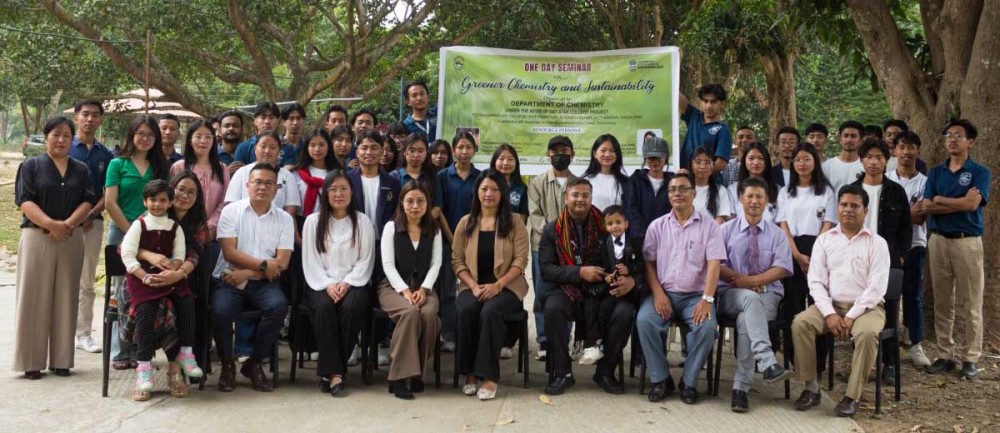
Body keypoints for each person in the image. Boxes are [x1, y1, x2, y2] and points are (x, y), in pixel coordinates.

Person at [791, 184, 889, 418]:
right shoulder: (824, 240)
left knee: (866, 334)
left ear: (865, 210)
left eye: (855, 205)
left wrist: (851, 316)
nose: (848, 210)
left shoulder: (877, 243)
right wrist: (830, 314)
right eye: (844, 205)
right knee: (800, 323)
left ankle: (852, 396)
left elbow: (876, 288)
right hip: (831, 306)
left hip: (867, 308)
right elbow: (815, 282)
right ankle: (811, 388)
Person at [13, 116, 96, 380]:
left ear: (72, 140)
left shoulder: (81, 168)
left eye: (66, 136)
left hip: (71, 237)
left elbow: (87, 200)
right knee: (34, 297)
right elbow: (24, 200)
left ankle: (62, 360)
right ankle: (31, 361)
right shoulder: (31, 166)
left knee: (67, 296)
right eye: (55, 135)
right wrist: (50, 224)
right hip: (37, 236)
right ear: (46, 137)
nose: (61, 140)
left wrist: (68, 224)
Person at [539, 177, 638, 396]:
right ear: (566, 198)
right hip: (568, 289)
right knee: (553, 308)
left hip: (602, 290)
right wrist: (580, 272)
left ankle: (605, 371)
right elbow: (547, 270)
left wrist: (622, 277)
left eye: (585, 195)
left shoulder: (607, 225)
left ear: (591, 197)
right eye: (575, 195)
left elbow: (626, 257)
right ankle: (562, 372)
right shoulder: (552, 229)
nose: (580, 200)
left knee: (624, 312)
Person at [637, 173, 724, 404]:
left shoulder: (710, 226)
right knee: (645, 321)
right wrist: (657, 294)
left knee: (706, 328)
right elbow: (649, 263)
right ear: (668, 195)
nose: (678, 193)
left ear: (694, 193)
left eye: (684, 189)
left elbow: (715, 263)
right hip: (663, 293)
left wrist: (707, 298)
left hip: (696, 296)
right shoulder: (657, 226)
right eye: (673, 189)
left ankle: (689, 381)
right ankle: (661, 379)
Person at [212, 163, 294, 392]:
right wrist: (265, 264)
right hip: (229, 280)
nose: (262, 187)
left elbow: (283, 262)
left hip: (263, 282)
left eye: (269, 183)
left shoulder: (285, 219)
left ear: (276, 189)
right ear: (247, 185)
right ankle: (227, 364)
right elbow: (230, 252)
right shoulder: (231, 211)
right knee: (220, 311)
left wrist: (249, 272)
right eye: (257, 182)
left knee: (278, 307)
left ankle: (254, 362)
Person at [120, 180, 203, 401]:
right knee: (146, 311)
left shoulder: (176, 227)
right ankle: (144, 369)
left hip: (171, 277)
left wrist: (173, 272)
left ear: (169, 202)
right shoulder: (139, 224)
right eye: (153, 200)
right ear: (144, 201)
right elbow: (126, 253)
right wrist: (145, 274)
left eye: (163, 200)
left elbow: (181, 254)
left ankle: (186, 353)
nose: (157, 204)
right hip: (142, 278)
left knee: (186, 302)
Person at [718, 176, 794, 412]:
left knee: (745, 321)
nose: (754, 201)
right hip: (731, 293)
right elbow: (716, 264)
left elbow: (782, 268)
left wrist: (750, 281)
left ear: (767, 200)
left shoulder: (777, 234)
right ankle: (767, 361)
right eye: (749, 196)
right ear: (741, 198)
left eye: (759, 196)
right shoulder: (724, 230)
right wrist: (740, 283)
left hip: (767, 294)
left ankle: (740, 389)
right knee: (749, 300)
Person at [922, 119, 990, 380]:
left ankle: (970, 357)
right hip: (938, 240)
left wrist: (942, 200)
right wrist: (955, 202)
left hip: (967, 242)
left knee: (971, 302)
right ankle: (944, 353)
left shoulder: (979, 172)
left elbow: (973, 206)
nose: (952, 139)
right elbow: (927, 205)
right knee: (942, 300)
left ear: (970, 142)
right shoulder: (937, 172)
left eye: (958, 135)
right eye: (948, 135)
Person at [452, 170, 530, 400]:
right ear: (477, 192)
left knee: (490, 311)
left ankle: (489, 376)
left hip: (507, 287)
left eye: (495, 189)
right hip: (472, 285)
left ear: (503, 193)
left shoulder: (515, 222)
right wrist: (473, 286)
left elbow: (520, 261)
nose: (489, 194)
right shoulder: (466, 222)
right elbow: (456, 260)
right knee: (466, 309)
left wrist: (497, 286)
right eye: (484, 189)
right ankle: (469, 374)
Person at [301, 170, 375, 397]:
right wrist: (328, 284)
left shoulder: (363, 222)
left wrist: (347, 283)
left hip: (355, 282)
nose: (339, 194)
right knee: (323, 308)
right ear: (325, 193)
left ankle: (330, 372)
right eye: (333, 189)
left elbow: (366, 259)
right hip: (320, 282)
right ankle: (336, 373)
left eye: (344, 188)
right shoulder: (313, 222)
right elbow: (310, 260)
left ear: (352, 192)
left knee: (352, 308)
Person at [105, 115, 170, 370]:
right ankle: (120, 349)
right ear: (132, 135)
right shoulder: (117, 164)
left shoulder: (160, 167)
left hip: (154, 237)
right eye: (140, 133)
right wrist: (133, 230)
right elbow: (110, 202)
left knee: (145, 291)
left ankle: (140, 349)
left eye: (150, 135)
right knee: (122, 292)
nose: (145, 139)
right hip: (122, 233)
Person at [377, 182, 441, 399]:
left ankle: (417, 375)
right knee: (409, 312)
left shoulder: (434, 228)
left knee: (429, 313)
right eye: (410, 201)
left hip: (424, 287)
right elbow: (388, 265)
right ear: (402, 203)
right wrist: (404, 291)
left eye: (420, 201)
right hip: (393, 287)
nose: (415, 206)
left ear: (427, 203)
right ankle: (398, 376)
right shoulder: (391, 227)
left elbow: (436, 264)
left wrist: (424, 289)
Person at [68, 99, 113, 354]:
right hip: (62, 226)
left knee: (86, 281)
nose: (90, 119)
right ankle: (59, 332)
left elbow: (108, 192)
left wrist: (90, 214)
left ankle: (83, 334)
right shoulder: (65, 147)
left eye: (95, 115)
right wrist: (71, 220)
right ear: (76, 117)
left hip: (91, 225)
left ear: (100, 120)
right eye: (85, 114)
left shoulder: (104, 154)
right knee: (61, 280)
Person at [884, 131, 931, 368]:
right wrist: (905, 214)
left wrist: (896, 215)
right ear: (894, 151)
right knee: (886, 298)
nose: (906, 152)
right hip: (887, 249)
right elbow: (884, 218)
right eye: (901, 147)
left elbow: (920, 217)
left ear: (917, 151)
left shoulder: (924, 182)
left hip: (915, 246)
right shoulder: (885, 180)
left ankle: (915, 344)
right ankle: (886, 347)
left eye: (911, 147)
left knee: (913, 296)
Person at [527, 135, 576, 361]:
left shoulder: (577, 184)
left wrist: (567, 240)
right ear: (548, 155)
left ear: (572, 154)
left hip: (570, 248)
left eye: (564, 151)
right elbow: (535, 215)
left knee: (568, 293)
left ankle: (563, 340)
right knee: (542, 294)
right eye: (555, 151)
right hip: (542, 247)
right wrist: (553, 238)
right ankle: (545, 341)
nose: (560, 156)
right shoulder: (536, 182)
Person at [776, 143, 837, 319]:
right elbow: (783, 225)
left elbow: (828, 223)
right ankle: (792, 347)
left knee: (818, 303)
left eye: (806, 159)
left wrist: (815, 255)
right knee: (792, 303)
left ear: (815, 162)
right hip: (792, 249)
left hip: (818, 249)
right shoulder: (785, 192)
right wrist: (796, 255)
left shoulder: (826, 191)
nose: (802, 163)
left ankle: (820, 347)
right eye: (797, 160)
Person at [579, 205, 645, 365]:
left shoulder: (635, 243)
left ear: (626, 224)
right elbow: (597, 264)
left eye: (618, 222)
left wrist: (629, 269)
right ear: (604, 225)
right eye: (610, 223)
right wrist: (606, 276)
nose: (614, 226)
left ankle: (598, 342)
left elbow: (642, 266)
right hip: (607, 288)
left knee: (614, 309)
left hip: (628, 292)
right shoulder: (601, 243)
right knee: (598, 306)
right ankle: (595, 342)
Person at [434, 131, 480, 352]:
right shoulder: (442, 176)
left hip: (474, 241)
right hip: (447, 240)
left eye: (468, 147)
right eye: (460, 147)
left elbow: (481, 210)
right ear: (454, 151)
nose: (464, 151)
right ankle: (448, 333)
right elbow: (439, 210)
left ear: (474, 150)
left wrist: (468, 238)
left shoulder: (480, 177)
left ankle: (469, 332)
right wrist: (453, 239)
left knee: (471, 287)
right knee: (448, 289)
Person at [170, 119, 230, 238]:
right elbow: (173, 198)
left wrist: (210, 225)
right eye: (198, 136)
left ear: (214, 141)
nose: (203, 141)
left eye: (208, 137)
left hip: (213, 232)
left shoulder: (222, 169)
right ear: (190, 141)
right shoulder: (179, 166)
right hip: (181, 230)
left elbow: (225, 201)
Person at [224, 130, 301, 217]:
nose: (267, 151)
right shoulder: (241, 172)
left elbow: (290, 211)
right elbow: (231, 206)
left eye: (272, 147)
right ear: (255, 148)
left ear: (279, 151)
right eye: (263, 146)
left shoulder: (287, 176)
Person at [626, 136, 673, 253]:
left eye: (659, 158)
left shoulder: (673, 181)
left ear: (666, 157)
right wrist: (643, 238)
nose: (655, 162)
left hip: (668, 242)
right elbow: (631, 209)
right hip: (639, 242)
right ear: (645, 158)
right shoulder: (635, 180)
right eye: (651, 158)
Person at [678, 84, 733, 173]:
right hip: (686, 182)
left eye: (713, 102)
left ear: (722, 104)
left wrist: (697, 173)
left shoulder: (723, 130)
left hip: (710, 184)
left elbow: (720, 164)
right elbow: (676, 96)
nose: (708, 106)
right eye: (705, 101)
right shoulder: (694, 116)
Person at [728, 142, 779, 223]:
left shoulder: (777, 190)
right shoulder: (733, 189)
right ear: (744, 161)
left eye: (761, 158)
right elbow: (731, 221)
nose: (756, 162)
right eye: (751, 158)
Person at [293, 128, 339, 216]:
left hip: (329, 221)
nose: (317, 149)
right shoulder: (297, 174)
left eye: (321, 145)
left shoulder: (337, 174)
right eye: (312, 145)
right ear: (306, 147)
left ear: (328, 146)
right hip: (302, 223)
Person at [581, 134, 629, 211]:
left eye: (612, 151)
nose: (607, 154)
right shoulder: (585, 180)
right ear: (595, 154)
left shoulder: (626, 182)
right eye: (603, 150)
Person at [691, 147, 733, 224]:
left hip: (712, 234)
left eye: (707, 162)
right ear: (691, 165)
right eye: (698, 162)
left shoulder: (720, 190)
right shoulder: (685, 189)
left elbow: (720, 219)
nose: (702, 166)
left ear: (713, 165)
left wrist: (707, 235)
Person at [822, 121, 865, 193]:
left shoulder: (866, 166)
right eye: (846, 135)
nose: (849, 139)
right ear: (840, 139)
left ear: (861, 140)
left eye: (853, 136)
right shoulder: (827, 166)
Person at [491, 144, 528, 225]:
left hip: (513, 234)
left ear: (516, 163)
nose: (505, 163)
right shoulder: (487, 185)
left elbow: (523, 216)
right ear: (495, 161)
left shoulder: (521, 188)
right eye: (501, 159)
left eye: (510, 159)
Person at [278, 103, 307, 168]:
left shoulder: (307, 146)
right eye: (291, 118)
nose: (295, 123)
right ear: (284, 122)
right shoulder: (275, 144)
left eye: (298, 118)